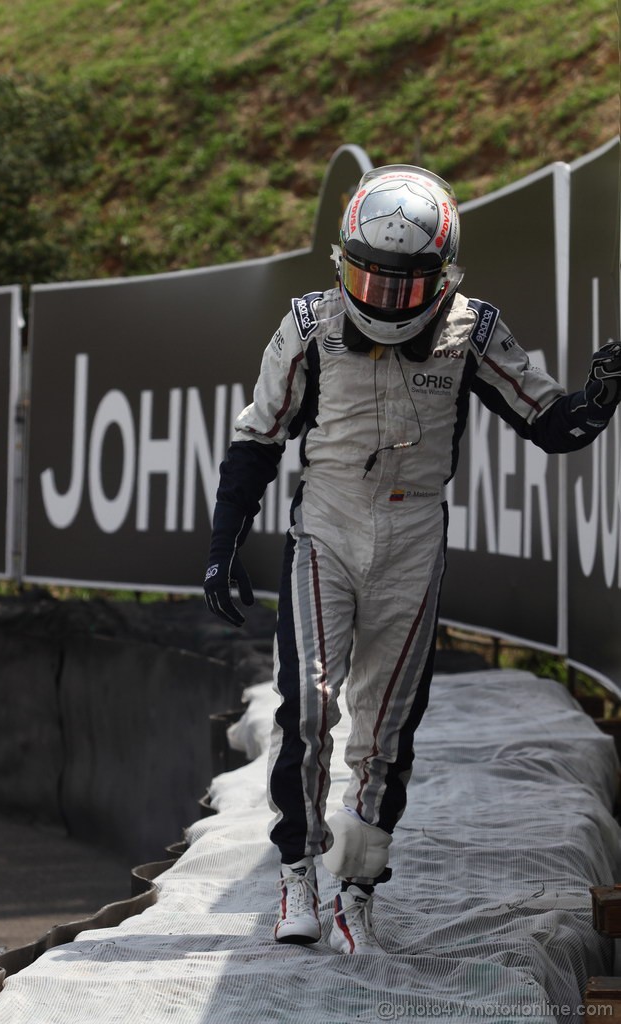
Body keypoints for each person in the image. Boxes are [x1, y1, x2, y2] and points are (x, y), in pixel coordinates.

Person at [203, 164, 621, 954]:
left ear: (443, 277)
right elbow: (255, 438)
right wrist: (223, 546)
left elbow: (550, 422)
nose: (386, 298)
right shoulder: (308, 323)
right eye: (369, 278)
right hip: (323, 532)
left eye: (406, 284)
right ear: (341, 266)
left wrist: (597, 398)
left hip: (412, 539)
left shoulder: (473, 329)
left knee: (387, 729)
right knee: (309, 707)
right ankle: (296, 871)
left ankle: (357, 891)